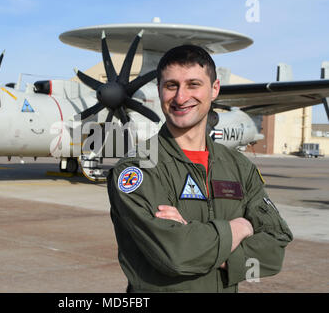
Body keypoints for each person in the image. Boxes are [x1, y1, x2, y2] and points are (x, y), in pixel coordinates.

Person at [107, 45, 293, 293]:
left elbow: (274, 253)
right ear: (160, 90)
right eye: (171, 85)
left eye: (193, 84)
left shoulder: (240, 167)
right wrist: (240, 228)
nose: (181, 97)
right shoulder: (137, 169)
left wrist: (203, 244)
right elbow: (176, 256)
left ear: (214, 89)